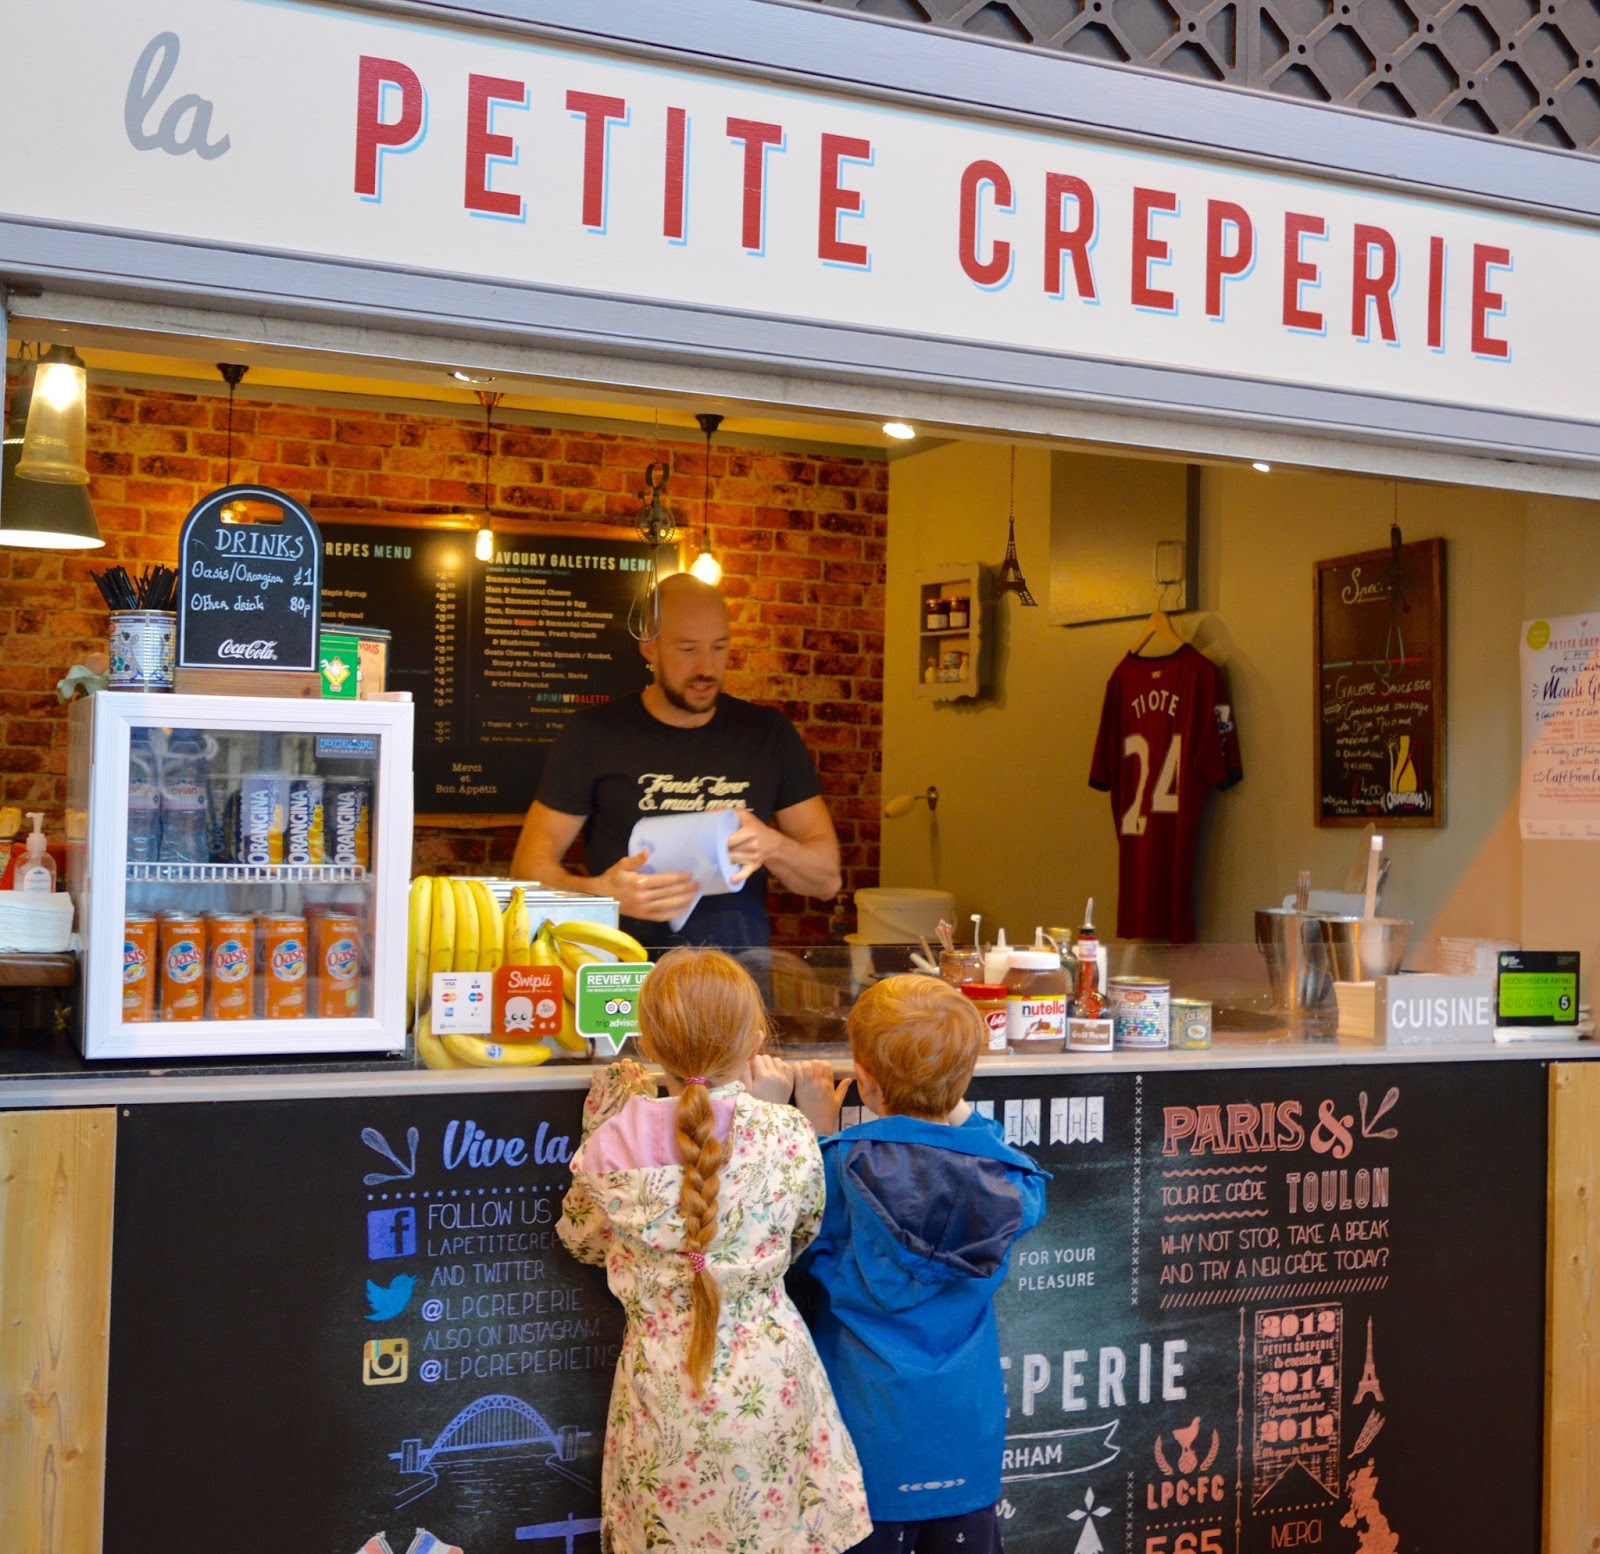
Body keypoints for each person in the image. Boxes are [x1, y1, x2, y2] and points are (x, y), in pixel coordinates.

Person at [556, 947, 873, 1554]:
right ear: (754, 1041)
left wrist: (601, 1123)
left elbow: (582, 1240)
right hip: (772, 1379)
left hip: (661, 1387)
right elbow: (804, 1229)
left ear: (648, 1040)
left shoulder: (612, 1141)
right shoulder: (786, 1131)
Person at [792, 976, 1050, 1554]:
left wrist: (815, 1130)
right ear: (964, 1084)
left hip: (864, 1445)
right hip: (966, 1440)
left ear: (865, 1081)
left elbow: (796, 1213)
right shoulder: (1007, 1184)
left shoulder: (835, 1168)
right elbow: (1007, 1163)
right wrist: (950, 1104)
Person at [511, 572, 841, 948]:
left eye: (719, 647)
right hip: (627, 971)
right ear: (649, 647)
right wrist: (601, 894)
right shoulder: (593, 734)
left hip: (736, 974)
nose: (706, 668)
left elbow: (827, 880)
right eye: (688, 649)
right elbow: (527, 870)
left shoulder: (767, 734)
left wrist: (772, 846)